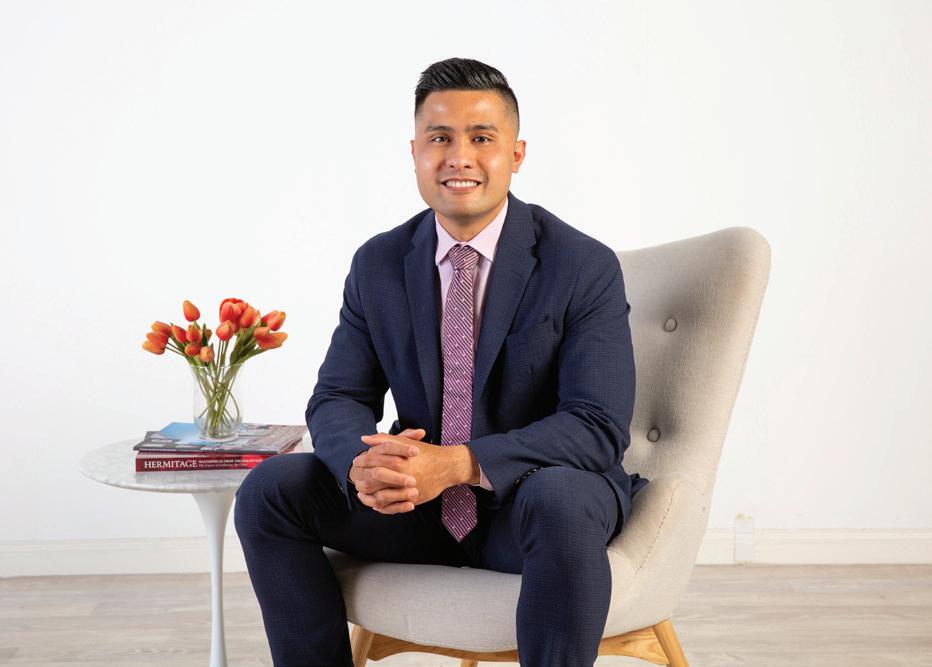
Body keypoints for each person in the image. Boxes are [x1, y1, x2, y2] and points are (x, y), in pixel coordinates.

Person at [234, 57, 649, 667]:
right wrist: (363, 467)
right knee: (270, 490)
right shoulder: (379, 263)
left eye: (481, 138)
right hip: (415, 509)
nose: (459, 157)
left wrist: (458, 464)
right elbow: (339, 395)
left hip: (529, 505)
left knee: (561, 498)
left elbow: (597, 425)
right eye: (439, 138)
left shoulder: (582, 265)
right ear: (415, 153)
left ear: (516, 154)